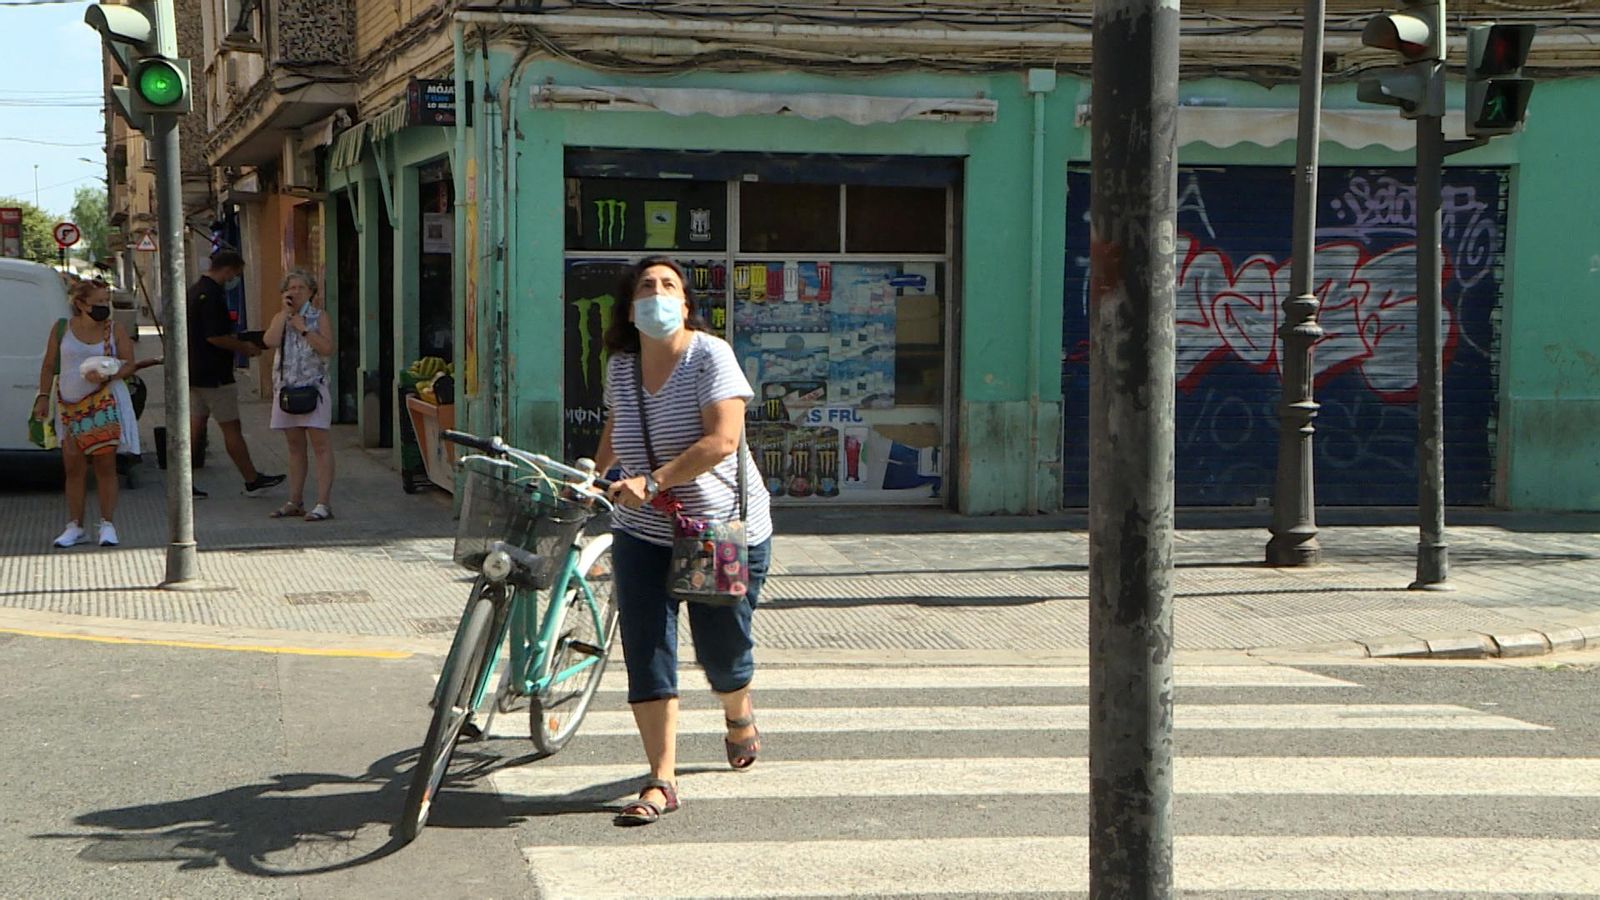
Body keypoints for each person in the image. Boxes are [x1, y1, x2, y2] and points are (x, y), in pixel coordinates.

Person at [593, 256, 774, 827]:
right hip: (643, 533)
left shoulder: (709, 356)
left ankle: (737, 709)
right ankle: (661, 779)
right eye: (646, 286)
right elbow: (614, 428)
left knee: (722, 653)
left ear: (687, 304)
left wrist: (654, 480)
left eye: (668, 285)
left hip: (718, 532)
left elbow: (723, 440)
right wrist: (590, 476)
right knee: (647, 650)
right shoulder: (621, 367)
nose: (657, 293)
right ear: (630, 307)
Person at [32, 280, 142, 548]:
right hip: (69, 406)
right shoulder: (61, 330)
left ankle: (107, 524)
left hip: (103, 403)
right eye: (99, 303)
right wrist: (43, 396)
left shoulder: (113, 330)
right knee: (73, 466)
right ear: (80, 304)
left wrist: (109, 373)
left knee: (105, 466)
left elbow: (130, 363)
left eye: (107, 302)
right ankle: (75, 526)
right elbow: (49, 366)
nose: (104, 307)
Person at [187, 250, 283, 498]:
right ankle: (251, 478)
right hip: (215, 375)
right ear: (228, 269)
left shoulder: (195, 290)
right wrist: (245, 347)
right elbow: (215, 336)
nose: (235, 279)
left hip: (195, 370)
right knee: (231, 428)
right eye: (236, 274)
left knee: (194, 428)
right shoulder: (212, 296)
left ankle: (183, 481)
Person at [262, 269, 336, 521]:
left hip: (314, 389)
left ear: (311, 292)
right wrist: (285, 316)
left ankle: (323, 503)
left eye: (300, 288)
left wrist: (304, 329)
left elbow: (327, 349)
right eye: (289, 288)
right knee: (294, 447)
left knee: (320, 446)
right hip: (286, 390)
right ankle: (295, 500)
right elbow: (269, 341)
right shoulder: (280, 317)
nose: (294, 292)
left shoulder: (319, 317)